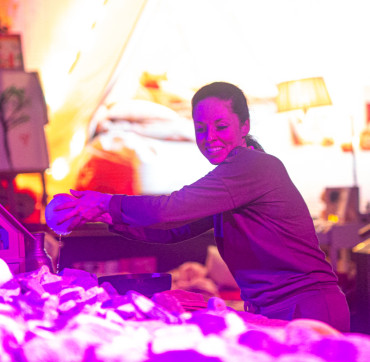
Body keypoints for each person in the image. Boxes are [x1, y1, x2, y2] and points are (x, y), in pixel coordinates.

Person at [54, 81, 350, 332]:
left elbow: (167, 209)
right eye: (200, 128)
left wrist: (105, 200)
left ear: (244, 125)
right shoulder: (232, 177)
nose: (210, 138)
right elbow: (172, 229)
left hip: (307, 307)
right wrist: (103, 214)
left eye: (221, 126)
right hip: (278, 309)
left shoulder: (253, 166)